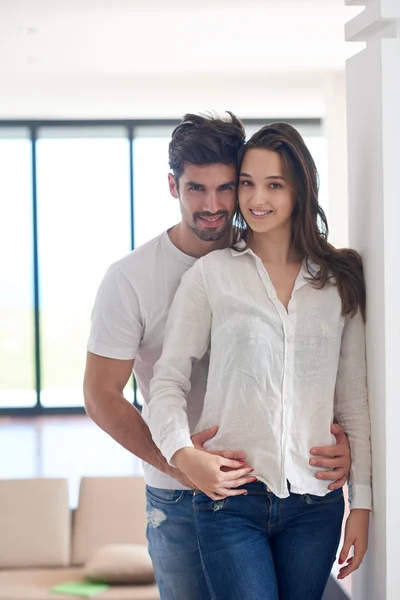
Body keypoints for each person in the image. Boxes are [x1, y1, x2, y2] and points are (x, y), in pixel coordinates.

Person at [84, 113, 352, 600]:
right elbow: (101, 397)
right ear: (173, 186)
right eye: (195, 189)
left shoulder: (277, 263)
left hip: (280, 483)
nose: (213, 205)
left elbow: (314, 368)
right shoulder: (130, 278)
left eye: (227, 187)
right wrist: (183, 465)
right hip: (179, 490)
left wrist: (334, 442)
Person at [148, 122, 371, 600]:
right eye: (247, 183)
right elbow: (167, 382)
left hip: (317, 504)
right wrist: (185, 456)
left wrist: (363, 504)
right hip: (230, 501)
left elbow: (353, 400)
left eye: (274, 184)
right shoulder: (212, 275)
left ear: (300, 190)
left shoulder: (338, 280)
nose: (256, 197)